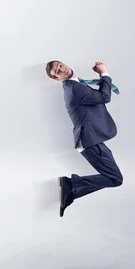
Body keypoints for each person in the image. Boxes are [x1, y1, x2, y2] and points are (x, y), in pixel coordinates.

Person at [45, 60, 123, 217]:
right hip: (89, 140)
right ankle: (71, 184)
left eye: (60, 65)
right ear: (57, 79)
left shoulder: (74, 85)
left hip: (91, 140)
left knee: (113, 177)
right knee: (115, 179)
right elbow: (104, 97)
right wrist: (104, 73)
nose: (62, 70)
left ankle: (71, 188)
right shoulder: (74, 89)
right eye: (57, 72)